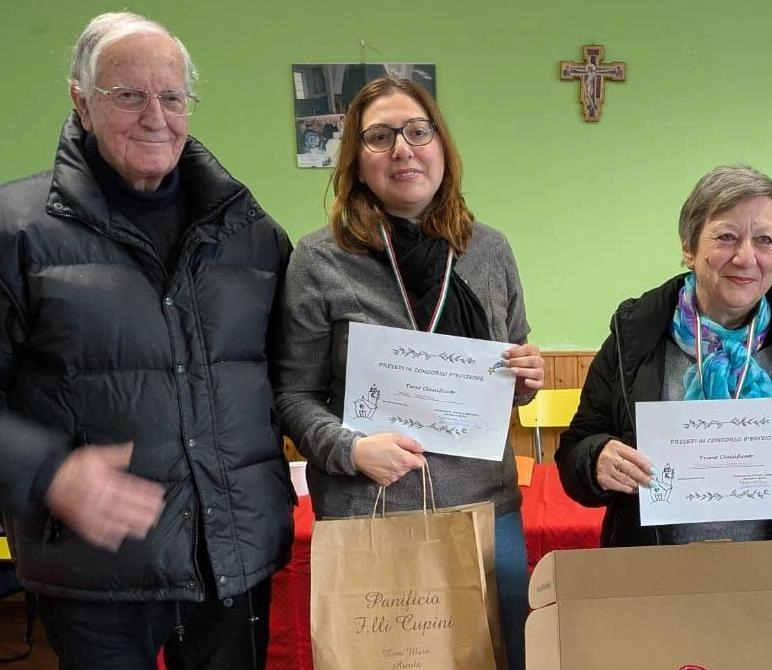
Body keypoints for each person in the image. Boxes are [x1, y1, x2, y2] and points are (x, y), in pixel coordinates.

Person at [0, 12, 294, 670]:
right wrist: (47, 473)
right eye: (128, 94)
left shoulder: (253, 234)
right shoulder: (14, 233)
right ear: (81, 101)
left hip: (234, 562)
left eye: (172, 95)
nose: (155, 115)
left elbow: (296, 378)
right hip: (96, 569)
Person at [273, 75, 543, 670]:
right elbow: (293, 394)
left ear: (442, 147)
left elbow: (510, 377)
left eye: (418, 131)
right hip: (369, 514)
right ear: (354, 159)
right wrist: (349, 449)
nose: (403, 148)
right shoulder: (319, 260)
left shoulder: (489, 250)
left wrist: (524, 381)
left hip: (484, 515)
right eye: (380, 136)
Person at [556, 165, 772, 547]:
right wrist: (596, 459)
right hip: (655, 582)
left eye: (764, 239)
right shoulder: (633, 339)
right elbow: (575, 451)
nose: (746, 256)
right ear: (689, 248)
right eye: (727, 237)